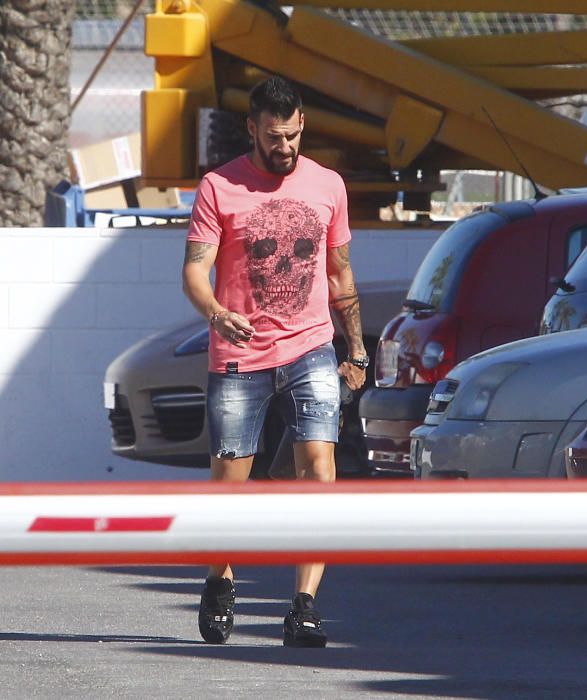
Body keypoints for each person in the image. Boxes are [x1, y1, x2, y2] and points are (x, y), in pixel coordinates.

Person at [181, 75, 367, 647]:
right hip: (240, 352)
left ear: (302, 124)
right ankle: (220, 580)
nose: (283, 147)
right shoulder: (219, 186)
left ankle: (305, 606)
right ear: (252, 129)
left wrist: (355, 348)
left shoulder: (328, 185)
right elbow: (194, 272)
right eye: (272, 136)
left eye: (290, 135)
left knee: (319, 471)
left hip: (311, 347)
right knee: (230, 482)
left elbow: (339, 273)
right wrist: (216, 312)